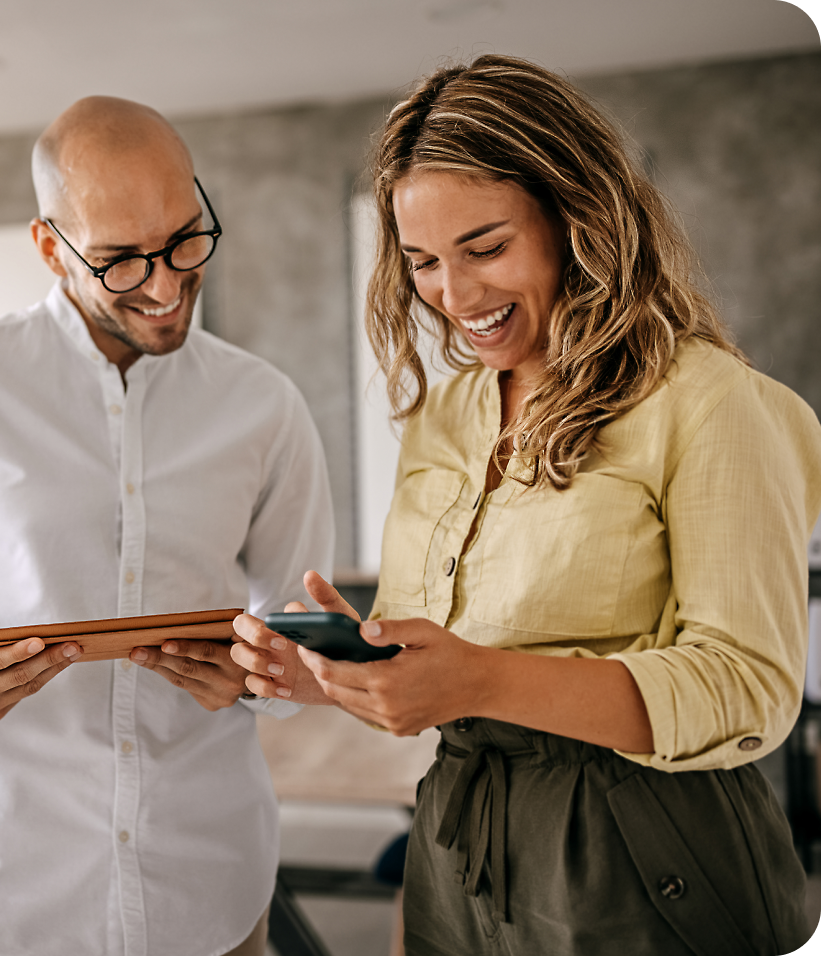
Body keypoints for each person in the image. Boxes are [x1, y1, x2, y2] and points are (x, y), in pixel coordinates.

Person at [234, 55, 821, 954]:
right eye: (423, 261)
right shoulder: (447, 414)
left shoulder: (707, 402)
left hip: (644, 844)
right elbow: (440, 657)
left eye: (486, 247)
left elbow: (747, 688)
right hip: (457, 837)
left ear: (575, 218)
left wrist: (477, 678)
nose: (454, 297)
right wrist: (316, 674)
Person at [0, 96, 334, 956]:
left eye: (186, 238)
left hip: (211, 888)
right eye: (118, 260)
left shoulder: (266, 406)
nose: (165, 283)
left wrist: (262, 676)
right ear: (48, 246)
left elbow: (302, 626)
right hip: (7, 890)